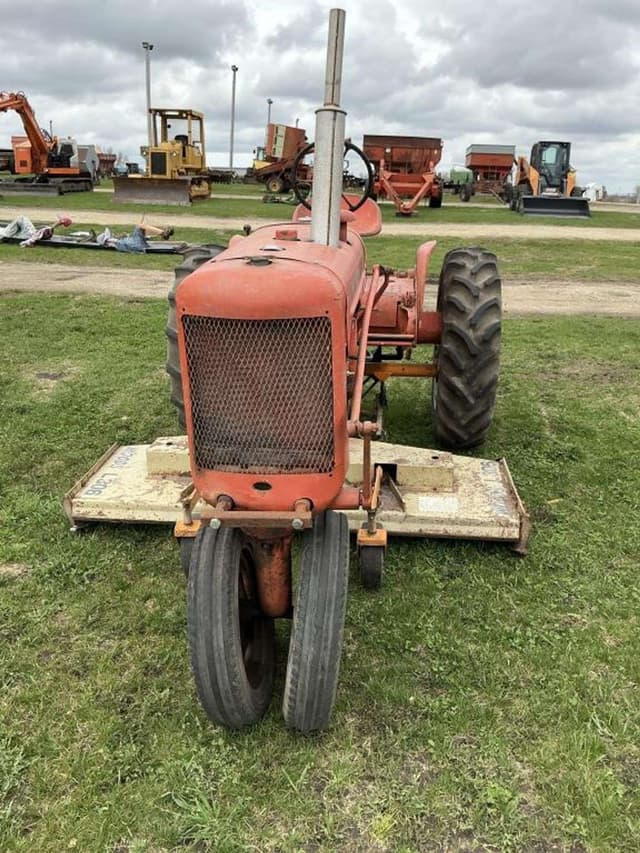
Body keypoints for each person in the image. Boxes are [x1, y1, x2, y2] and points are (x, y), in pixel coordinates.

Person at [95, 218, 174, 253]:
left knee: (141, 225)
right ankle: (163, 233)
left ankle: (162, 233)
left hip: (134, 242)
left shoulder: (114, 240)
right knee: (139, 226)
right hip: (135, 244)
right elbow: (119, 242)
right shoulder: (112, 241)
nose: (113, 234)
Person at [0, 215, 72, 246]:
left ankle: (3, 237)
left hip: (28, 234)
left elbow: (46, 232)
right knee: (21, 218)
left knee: (21, 219)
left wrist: (58, 223)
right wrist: (58, 223)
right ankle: (3, 237)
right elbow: (46, 232)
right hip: (28, 235)